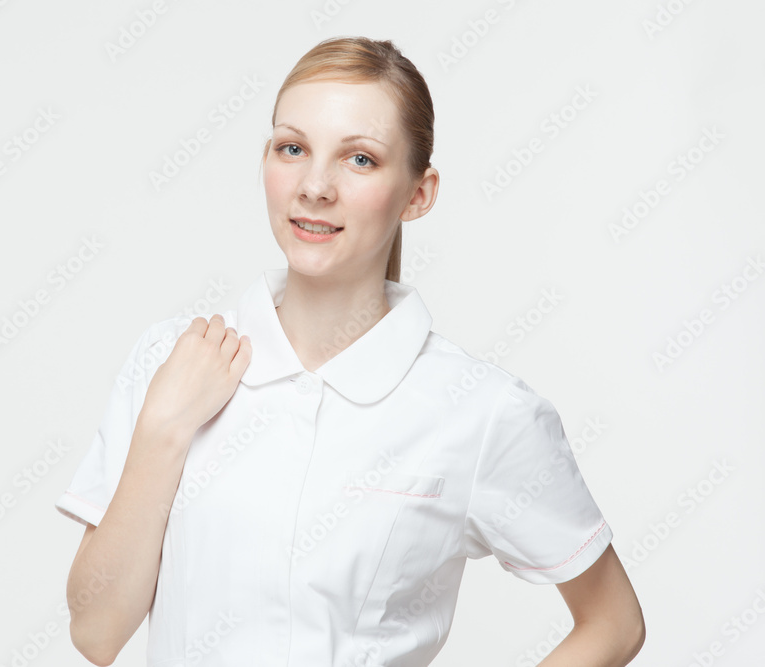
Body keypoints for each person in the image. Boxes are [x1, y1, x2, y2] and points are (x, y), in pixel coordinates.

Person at [56, 36, 645, 666]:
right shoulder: (170, 360)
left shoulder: (480, 411)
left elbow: (613, 624)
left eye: (359, 159)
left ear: (418, 193)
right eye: (292, 148)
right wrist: (163, 430)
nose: (314, 186)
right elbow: (96, 632)